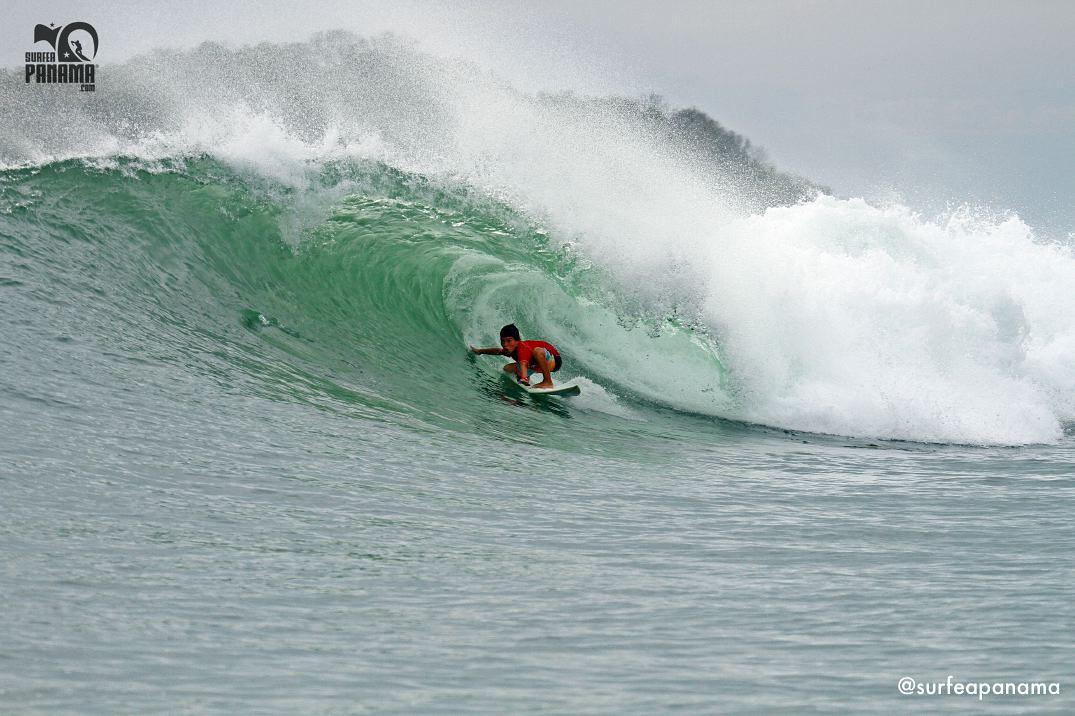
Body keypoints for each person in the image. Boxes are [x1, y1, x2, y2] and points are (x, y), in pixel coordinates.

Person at [470, 323, 561, 389]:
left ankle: (548, 382)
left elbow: (523, 363)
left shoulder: (522, 348)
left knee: (537, 351)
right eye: (503, 341)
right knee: (507, 368)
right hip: (535, 365)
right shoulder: (510, 349)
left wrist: (524, 377)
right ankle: (525, 380)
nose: (505, 344)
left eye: (509, 341)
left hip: (553, 360)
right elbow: (498, 351)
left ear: (517, 341)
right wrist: (479, 351)